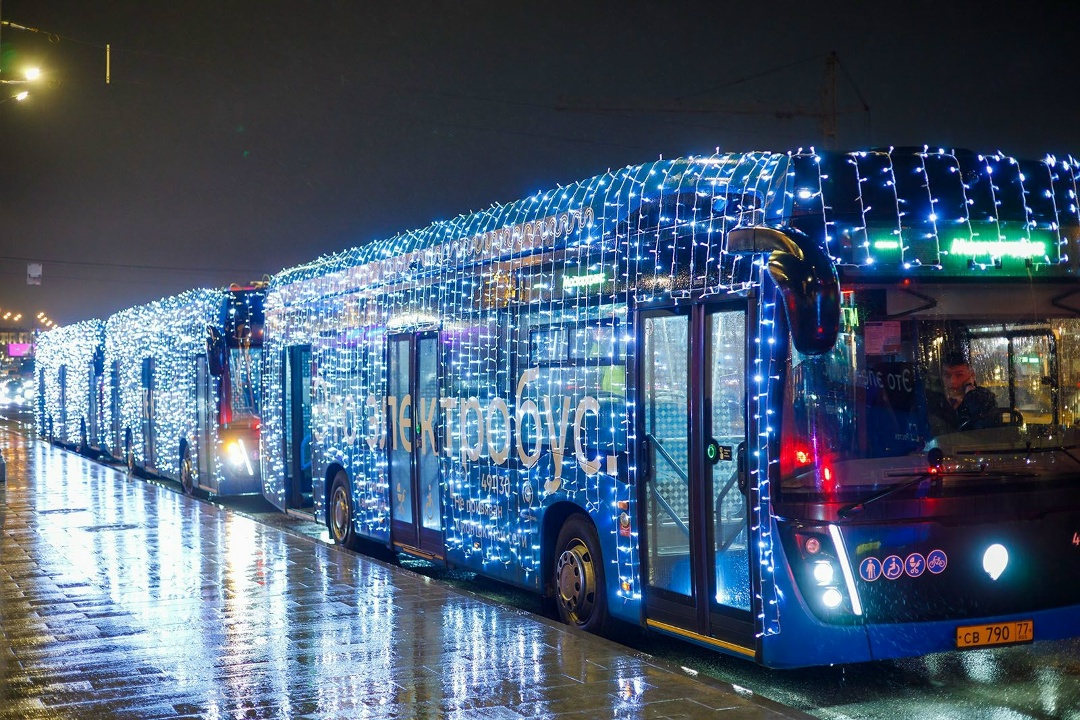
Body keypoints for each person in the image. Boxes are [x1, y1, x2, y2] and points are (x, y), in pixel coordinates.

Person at [926, 352, 1001, 435]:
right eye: (947, 375)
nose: (952, 381)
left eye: (959, 375)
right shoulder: (934, 399)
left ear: (972, 375)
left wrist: (971, 394)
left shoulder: (984, 397)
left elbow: (985, 430)